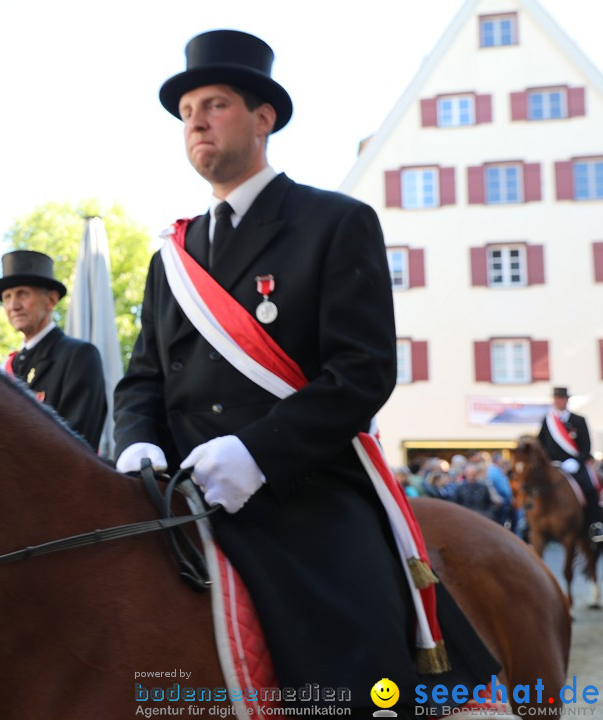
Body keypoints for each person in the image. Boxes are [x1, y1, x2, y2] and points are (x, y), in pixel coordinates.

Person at [113, 29, 495, 713]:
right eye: (188, 109)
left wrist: (256, 453)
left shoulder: (333, 221)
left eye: (216, 103)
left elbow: (363, 371)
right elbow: (144, 377)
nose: (196, 119)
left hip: (301, 484)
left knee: (351, 662)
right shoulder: (171, 258)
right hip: (176, 489)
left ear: (264, 119)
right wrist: (135, 438)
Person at [0, 249, 107, 449]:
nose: (13, 305)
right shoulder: (9, 366)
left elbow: (77, 443)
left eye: (22, 294)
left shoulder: (79, 356)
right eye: (7, 297)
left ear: (51, 300)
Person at [538, 386, 603, 541]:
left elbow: (586, 447)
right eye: (556, 399)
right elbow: (541, 445)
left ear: (567, 400)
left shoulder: (578, 420)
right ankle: (532, 526)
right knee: (536, 489)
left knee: (590, 488)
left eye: (561, 398)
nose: (558, 401)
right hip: (554, 465)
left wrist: (576, 462)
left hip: (575, 465)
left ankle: (595, 525)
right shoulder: (548, 421)